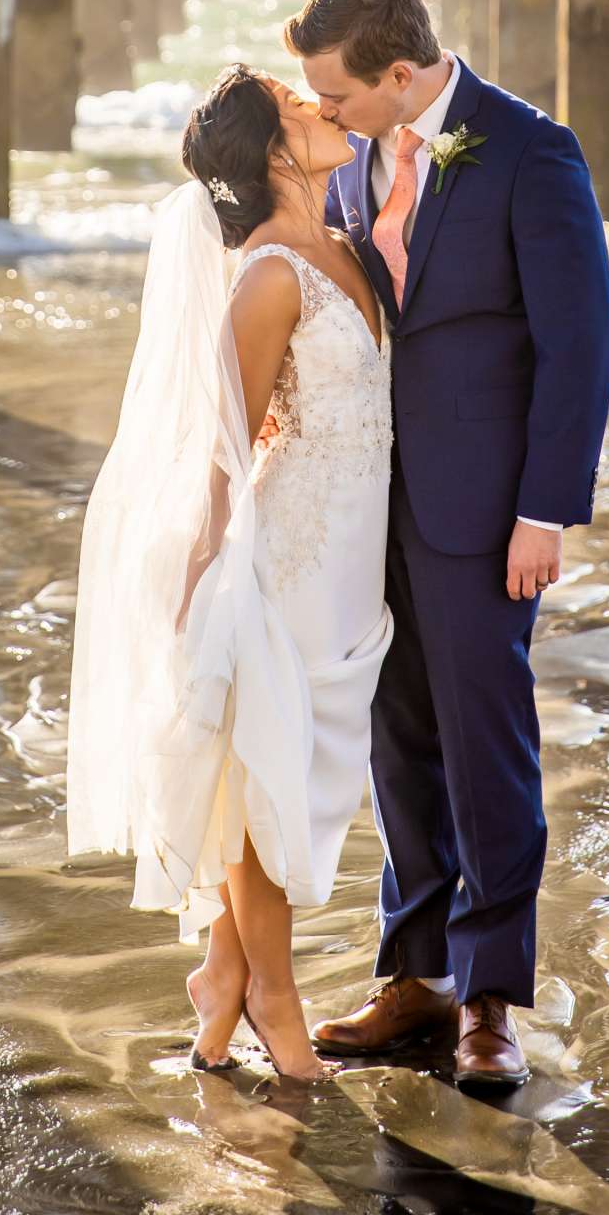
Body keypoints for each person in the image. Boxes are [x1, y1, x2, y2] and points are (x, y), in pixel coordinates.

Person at [284, 0, 609, 1091]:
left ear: (400, 73)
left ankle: (487, 1001)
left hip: (485, 515)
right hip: (366, 507)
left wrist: (544, 512)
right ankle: (412, 977)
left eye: (336, 94)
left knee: (487, 750)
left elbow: (578, 347)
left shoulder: (530, 149)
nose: (323, 114)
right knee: (397, 741)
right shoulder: (349, 162)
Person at [66, 63, 393, 1083]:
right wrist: (200, 569)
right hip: (287, 551)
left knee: (307, 767)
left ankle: (219, 982)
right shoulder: (265, 278)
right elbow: (225, 443)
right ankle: (272, 997)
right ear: (269, 153)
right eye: (297, 107)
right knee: (267, 769)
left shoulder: (343, 248)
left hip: (351, 554)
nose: (320, 107)